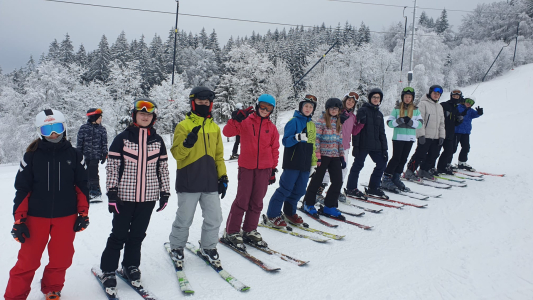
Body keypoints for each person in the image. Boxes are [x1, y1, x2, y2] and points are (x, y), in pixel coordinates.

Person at [5, 109, 89, 300]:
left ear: (64, 128)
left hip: (66, 216)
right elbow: (22, 190)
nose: (53, 133)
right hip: (36, 217)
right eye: (47, 130)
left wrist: (83, 213)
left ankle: (52, 287)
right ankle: (14, 295)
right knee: (28, 261)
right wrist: (19, 220)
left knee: (62, 258)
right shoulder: (31, 157)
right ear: (39, 132)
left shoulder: (76, 156)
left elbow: (82, 187)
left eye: (57, 127)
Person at [98, 98, 170, 291]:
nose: (145, 116)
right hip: (124, 198)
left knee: (137, 235)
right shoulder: (122, 138)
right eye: (141, 113)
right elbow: (112, 168)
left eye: (149, 114)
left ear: (153, 117)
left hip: (148, 198)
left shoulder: (158, 141)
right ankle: (108, 270)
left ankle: (130, 265)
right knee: (118, 235)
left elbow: (163, 168)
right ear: (134, 116)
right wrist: (112, 194)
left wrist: (165, 192)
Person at [168, 86, 228, 266]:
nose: (203, 104)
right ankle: (177, 247)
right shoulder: (183, 126)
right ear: (193, 103)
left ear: (210, 104)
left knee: (215, 217)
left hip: (210, 181)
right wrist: (187, 144)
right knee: (184, 218)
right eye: (200, 102)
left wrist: (223, 177)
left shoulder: (214, 128)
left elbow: (218, 155)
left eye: (206, 102)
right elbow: (177, 155)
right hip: (189, 180)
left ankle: (209, 247)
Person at [222, 94, 280, 250]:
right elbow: (227, 132)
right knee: (242, 200)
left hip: (265, 169)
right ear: (257, 105)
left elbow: (274, 149)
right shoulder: (246, 122)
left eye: (269, 108)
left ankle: (249, 230)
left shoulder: (272, 128)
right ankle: (232, 231)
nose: (265, 110)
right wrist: (236, 119)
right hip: (247, 167)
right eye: (262, 106)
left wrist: (273, 169)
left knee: (257, 201)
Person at [265, 95, 318, 228]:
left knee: (300, 190)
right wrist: (297, 137)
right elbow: (285, 141)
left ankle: (289, 213)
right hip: (293, 161)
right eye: (306, 106)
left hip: (305, 164)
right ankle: (272, 214)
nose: (308, 108)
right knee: (285, 189)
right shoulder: (293, 121)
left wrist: (313, 163)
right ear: (301, 107)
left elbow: (313, 146)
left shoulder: (312, 125)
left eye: (310, 107)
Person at [302, 98, 345, 219]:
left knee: (337, 181)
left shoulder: (338, 123)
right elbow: (316, 140)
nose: (334, 110)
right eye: (332, 108)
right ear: (327, 109)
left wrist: (342, 156)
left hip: (335, 156)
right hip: (323, 156)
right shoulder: (321, 121)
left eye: (336, 109)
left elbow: (340, 141)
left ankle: (329, 206)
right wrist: (318, 157)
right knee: (317, 180)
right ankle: (308, 203)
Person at [317, 92, 364, 202]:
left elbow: (354, 131)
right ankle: (318, 191)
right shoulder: (337, 112)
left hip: (344, 147)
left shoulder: (353, 117)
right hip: (332, 145)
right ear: (344, 100)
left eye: (352, 102)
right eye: (348, 100)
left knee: (343, 170)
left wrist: (361, 124)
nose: (350, 102)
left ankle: (334, 190)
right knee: (328, 171)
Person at [344, 88, 389, 199]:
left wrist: (385, 149)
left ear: (380, 100)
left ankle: (373, 187)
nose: (375, 99)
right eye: (373, 97)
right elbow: (356, 131)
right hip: (363, 145)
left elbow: (382, 133)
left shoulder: (379, 114)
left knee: (382, 163)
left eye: (378, 97)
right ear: (370, 98)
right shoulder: (362, 111)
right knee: (358, 165)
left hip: (376, 146)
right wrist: (356, 146)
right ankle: (351, 188)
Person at [381, 87, 423, 193]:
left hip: (409, 138)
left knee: (403, 159)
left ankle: (396, 177)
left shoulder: (416, 110)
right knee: (396, 158)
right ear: (402, 97)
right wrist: (398, 121)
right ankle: (386, 178)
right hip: (398, 137)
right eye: (405, 97)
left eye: (409, 97)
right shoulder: (397, 109)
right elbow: (389, 123)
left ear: (412, 98)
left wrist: (411, 122)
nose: (407, 99)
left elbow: (420, 123)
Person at [404, 85, 445, 181]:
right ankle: (410, 171)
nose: (436, 95)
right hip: (425, 135)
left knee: (434, 154)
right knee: (420, 154)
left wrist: (442, 136)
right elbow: (420, 120)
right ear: (430, 93)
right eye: (435, 93)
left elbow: (442, 123)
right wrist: (421, 135)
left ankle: (424, 170)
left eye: (438, 94)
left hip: (436, 136)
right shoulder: (423, 104)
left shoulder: (439, 106)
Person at [77, 108, 108, 200]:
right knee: (85, 174)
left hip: (95, 156)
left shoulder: (102, 129)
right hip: (85, 156)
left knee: (93, 173)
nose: (100, 120)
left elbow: (104, 143)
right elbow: (79, 142)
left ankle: (95, 192)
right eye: (99, 118)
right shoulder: (84, 128)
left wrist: (104, 153)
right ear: (93, 118)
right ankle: (87, 191)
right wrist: (78, 155)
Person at [434, 89, 464, 175]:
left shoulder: (456, 108)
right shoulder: (444, 105)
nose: (455, 98)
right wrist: (444, 116)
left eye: (457, 97)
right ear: (451, 96)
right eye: (454, 96)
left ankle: (441, 167)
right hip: (440, 132)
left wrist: (459, 120)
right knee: (435, 152)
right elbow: (436, 116)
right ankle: (429, 167)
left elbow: (455, 123)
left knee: (449, 151)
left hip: (450, 133)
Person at [453, 97, 483, 172]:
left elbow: (475, 114)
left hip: (466, 132)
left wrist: (479, 113)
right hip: (457, 131)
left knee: (466, 147)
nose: (469, 103)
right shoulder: (459, 107)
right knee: (453, 148)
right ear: (464, 101)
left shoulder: (470, 111)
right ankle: (446, 163)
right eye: (467, 101)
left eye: (471, 102)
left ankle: (462, 162)